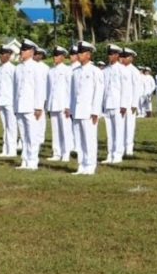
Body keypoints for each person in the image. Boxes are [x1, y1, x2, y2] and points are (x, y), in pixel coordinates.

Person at [68, 41, 104, 175]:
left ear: (88, 55)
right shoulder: (75, 71)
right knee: (79, 140)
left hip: (89, 111)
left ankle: (90, 165)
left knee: (89, 139)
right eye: (78, 52)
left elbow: (98, 92)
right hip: (77, 111)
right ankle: (81, 164)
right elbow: (72, 93)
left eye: (82, 52)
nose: (79, 55)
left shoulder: (95, 71)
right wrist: (71, 109)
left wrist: (95, 111)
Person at [13, 40, 47, 170]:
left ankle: (32, 161)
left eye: (25, 50)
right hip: (20, 106)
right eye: (22, 49)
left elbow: (39, 88)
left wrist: (39, 106)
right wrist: (15, 106)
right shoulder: (18, 68)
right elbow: (15, 89)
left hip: (32, 106)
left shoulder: (36, 67)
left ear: (32, 52)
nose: (22, 52)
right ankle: (25, 160)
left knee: (32, 135)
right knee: (23, 135)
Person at [46, 46, 73, 162]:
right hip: (53, 104)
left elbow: (70, 89)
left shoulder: (67, 70)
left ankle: (66, 152)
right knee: (55, 130)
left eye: (57, 55)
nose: (55, 57)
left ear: (62, 56)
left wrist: (68, 106)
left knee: (65, 130)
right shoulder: (50, 70)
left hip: (63, 104)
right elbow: (48, 89)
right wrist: (48, 105)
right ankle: (57, 153)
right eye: (54, 55)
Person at [101, 45, 126, 164]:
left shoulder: (122, 69)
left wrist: (124, 105)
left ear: (117, 55)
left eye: (111, 54)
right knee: (109, 131)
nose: (109, 56)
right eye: (108, 54)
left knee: (119, 130)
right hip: (107, 104)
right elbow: (103, 89)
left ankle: (118, 154)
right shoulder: (105, 70)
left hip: (118, 104)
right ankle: (110, 154)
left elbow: (126, 89)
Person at [0, 42, 19, 157]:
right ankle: (6, 149)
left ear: (9, 55)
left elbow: (16, 86)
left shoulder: (12, 69)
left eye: (3, 54)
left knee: (12, 126)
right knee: (5, 126)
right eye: (0, 54)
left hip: (10, 101)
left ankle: (12, 150)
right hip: (2, 100)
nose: (1, 56)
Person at [120, 49, 143, 157]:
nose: (123, 58)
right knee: (120, 126)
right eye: (122, 56)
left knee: (129, 125)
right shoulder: (119, 69)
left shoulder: (134, 71)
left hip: (129, 103)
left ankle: (129, 148)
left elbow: (137, 88)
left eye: (125, 56)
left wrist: (134, 104)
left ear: (131, 58)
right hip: (119, 103)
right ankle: (120, 146)